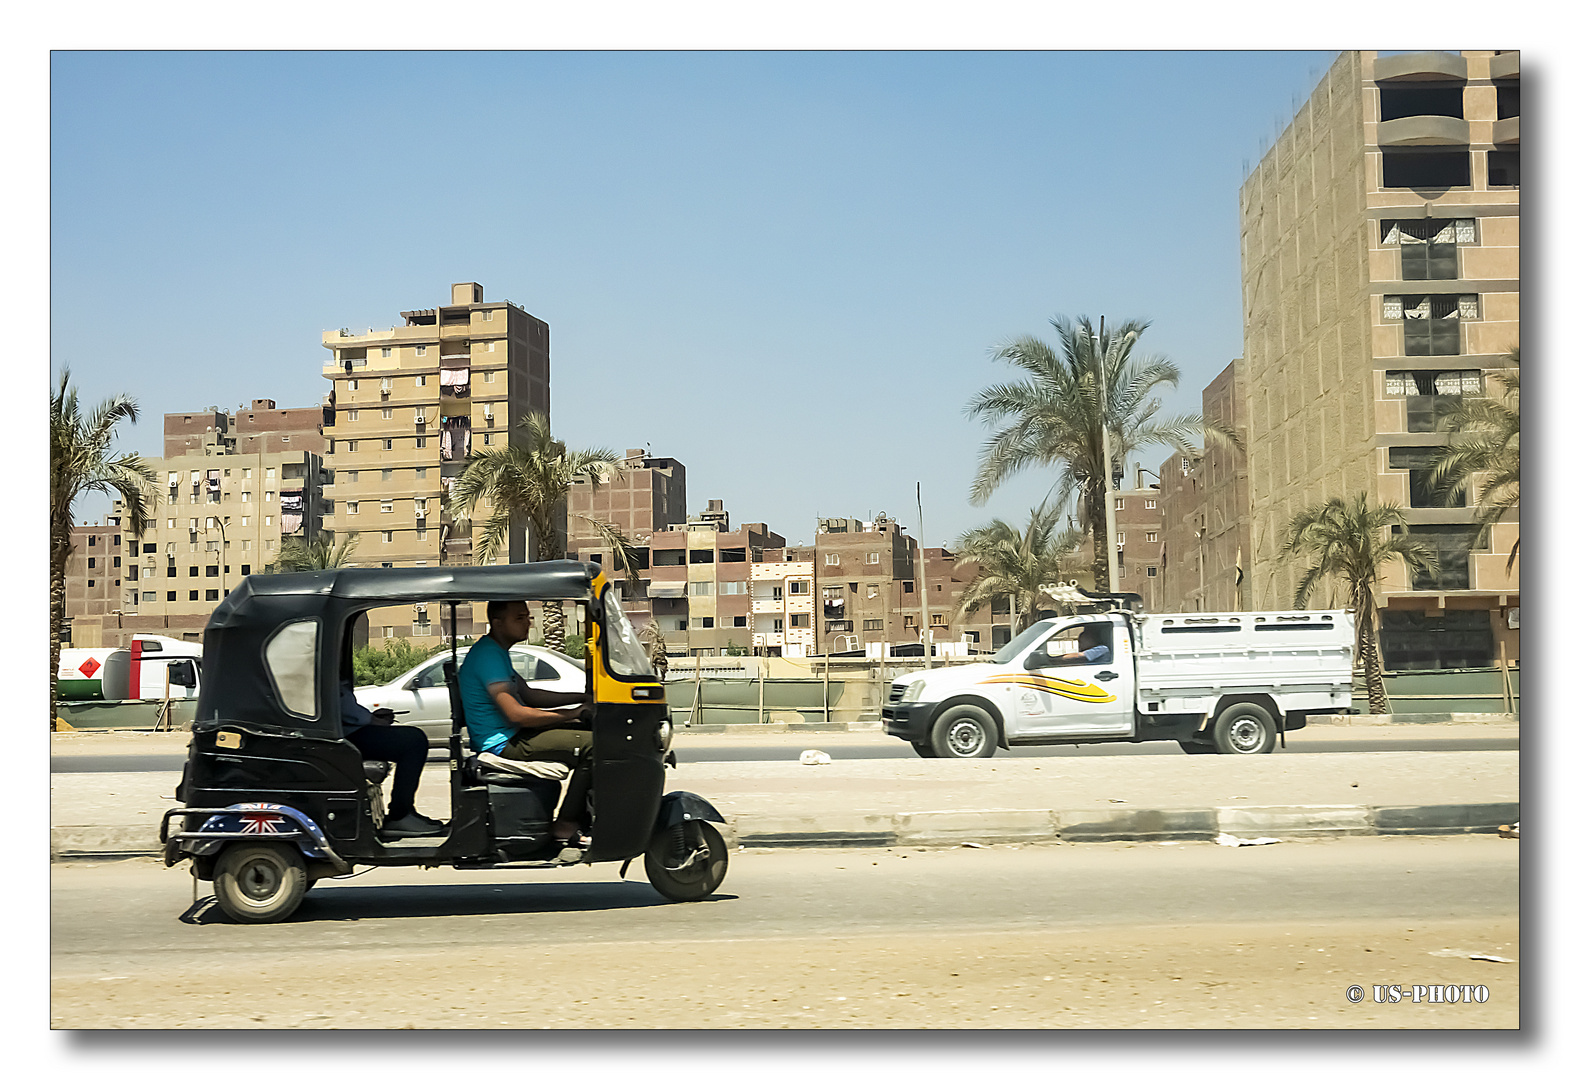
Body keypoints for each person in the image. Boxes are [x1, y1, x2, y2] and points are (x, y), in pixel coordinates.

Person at [459, 600, 593, 842]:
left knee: (588, 729)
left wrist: (583, 697)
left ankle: (585, 815)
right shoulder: (489, 657)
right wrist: (574, 713)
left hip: (512, 735)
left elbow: (530, 694)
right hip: (503, 744)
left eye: (528, 617)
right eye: (519, 618)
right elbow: (517, 714)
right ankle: (566, 824)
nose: (528, 624)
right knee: (595, 745)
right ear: (497, 623)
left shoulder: (495, 652)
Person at [340, 679, 446, 839]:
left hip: (343, 731)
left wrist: (370, 718)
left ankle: (403, 812)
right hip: (340, 736)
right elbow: (342, 706)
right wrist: (372, 720)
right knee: (414, 741)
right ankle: (400, 814)